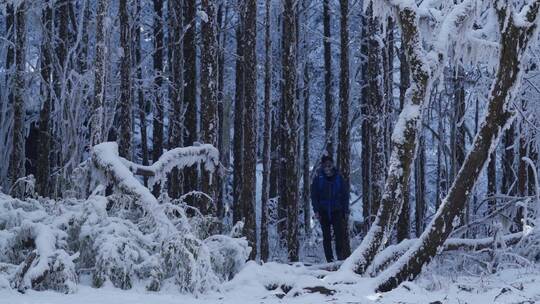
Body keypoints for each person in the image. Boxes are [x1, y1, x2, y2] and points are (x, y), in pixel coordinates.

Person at [311, 154, 350, 262]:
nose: (328, 167)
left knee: (339, 236)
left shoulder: (338, 177)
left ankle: (340, 258)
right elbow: (314, 196)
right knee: (326, 237)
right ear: (322, 166)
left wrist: (345, 210)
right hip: (323, 211)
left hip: (337, 210)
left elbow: (345, 195)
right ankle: (330, 260)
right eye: (326, 165)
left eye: (330, 164)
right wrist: (316, 210)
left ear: (332, 165)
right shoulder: (318, 178)